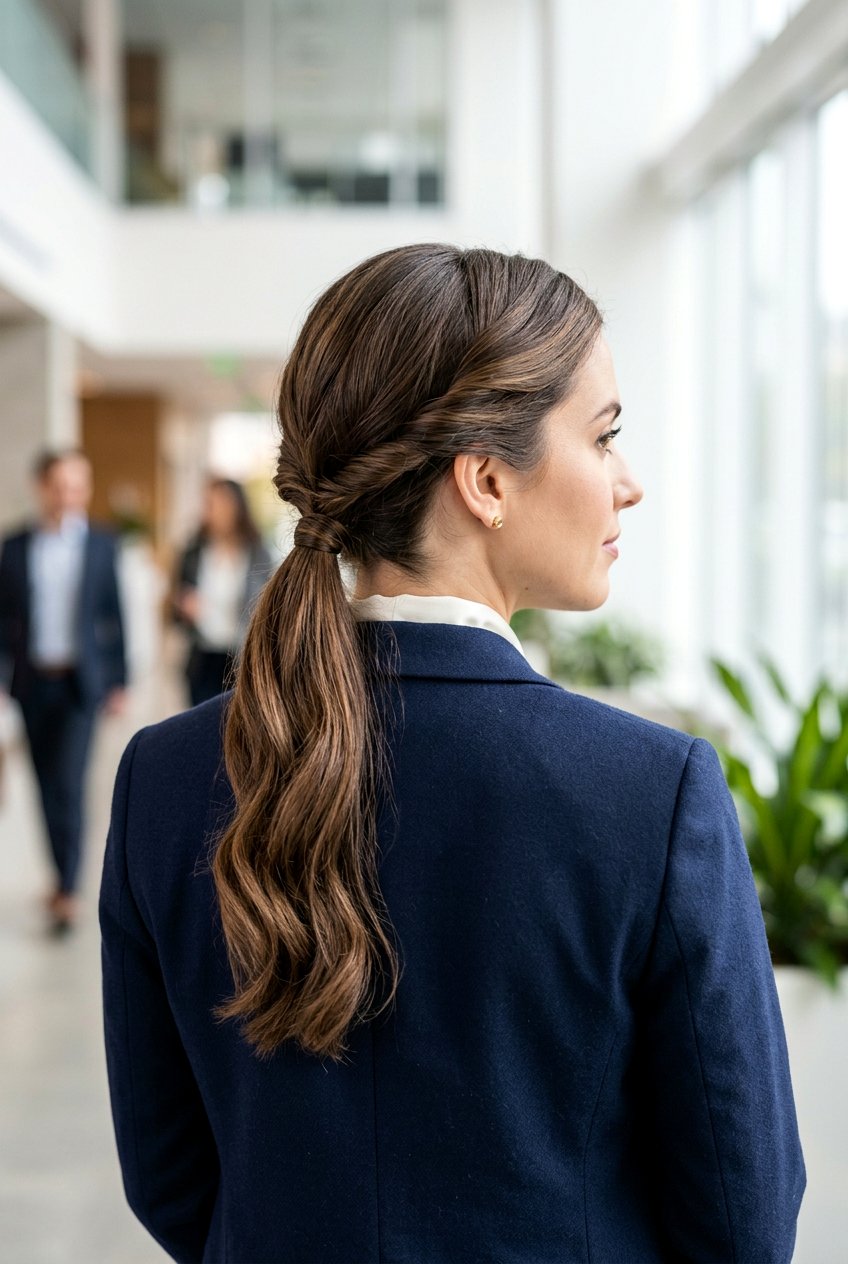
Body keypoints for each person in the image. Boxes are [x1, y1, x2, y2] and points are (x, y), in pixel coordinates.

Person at [100, 245, 805, 1263]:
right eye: (603, 437)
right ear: (482, 480)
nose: (629, 483)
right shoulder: (651, 794)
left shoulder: (164, 777)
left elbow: (170, 1176)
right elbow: (740, 1218)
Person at [0, 450, 126, 933]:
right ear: (42, 487)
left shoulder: (101, 544)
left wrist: (119, 679)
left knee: (69, 784)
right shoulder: (15, 546)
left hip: (80, 684)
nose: (69, 496)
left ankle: (69, 890)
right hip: (32, 682)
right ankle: (59, 874)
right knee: (43, 786)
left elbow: (114, 616)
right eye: (60, 485)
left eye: (78, 486)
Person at [172, 477, 273, 706]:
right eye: (207, 503)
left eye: (217, 503)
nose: (211, 510)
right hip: (201, 659)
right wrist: (184, 606)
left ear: (236, 506)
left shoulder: (258, 554)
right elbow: (174, 608)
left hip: (241, 658)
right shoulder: (193, 552)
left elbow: (270, 607)